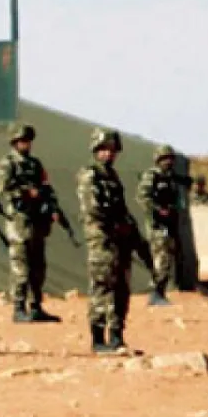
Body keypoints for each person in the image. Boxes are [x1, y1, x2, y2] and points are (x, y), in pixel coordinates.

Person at [0, 122, 63, 323]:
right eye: (22, 141)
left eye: (28, 140)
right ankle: (18, 307)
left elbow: (47, 187)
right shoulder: (7, 163)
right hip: (18, 220)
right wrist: (24, 192)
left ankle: (35, 306)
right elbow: (0, 189)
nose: (26, 144)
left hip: (37, 221)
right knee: (20, 266)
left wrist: (53, 208)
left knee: (38, 266)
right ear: (14, 142)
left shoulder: (35, 164)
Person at [77, 128, 138, 355]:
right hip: (101, 240)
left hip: (119, 240)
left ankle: (116, 336)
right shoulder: (90, 175)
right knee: (102, 287)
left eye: (112, 150)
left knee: (121, 287)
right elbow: (93, 210)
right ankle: (98, 338)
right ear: (95, 150)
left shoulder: (113, 177)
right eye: (103, 149)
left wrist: (133, 233)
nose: (108, 154)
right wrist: (116, 226)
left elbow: (122, 209)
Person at [136, 145, 183, 306]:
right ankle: (155, 293)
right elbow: (142, 198)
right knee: (160, 259)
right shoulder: (152, 176)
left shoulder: (170, 178)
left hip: (169, 224)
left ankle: (160, 292)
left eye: (170, 158)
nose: (168, 162)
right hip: (157, 225)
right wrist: (158, 210)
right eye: (165, 159)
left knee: (167, 259)